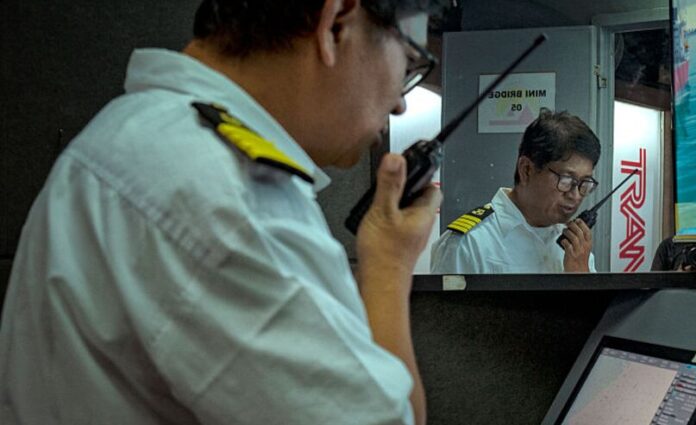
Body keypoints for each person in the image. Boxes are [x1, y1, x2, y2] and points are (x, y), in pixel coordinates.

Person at [0, 1, 443, 424]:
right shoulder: (225, 195)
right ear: (336, 23)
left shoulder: (138, 131)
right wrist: (388, 268)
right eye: (409, 60)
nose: (400, 103)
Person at [430, 110, 601, 274]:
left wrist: (580, 273)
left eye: (584, 183)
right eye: (566, 180)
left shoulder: (575, 247)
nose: (575, 195)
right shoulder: (468, 243)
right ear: (526, 170)